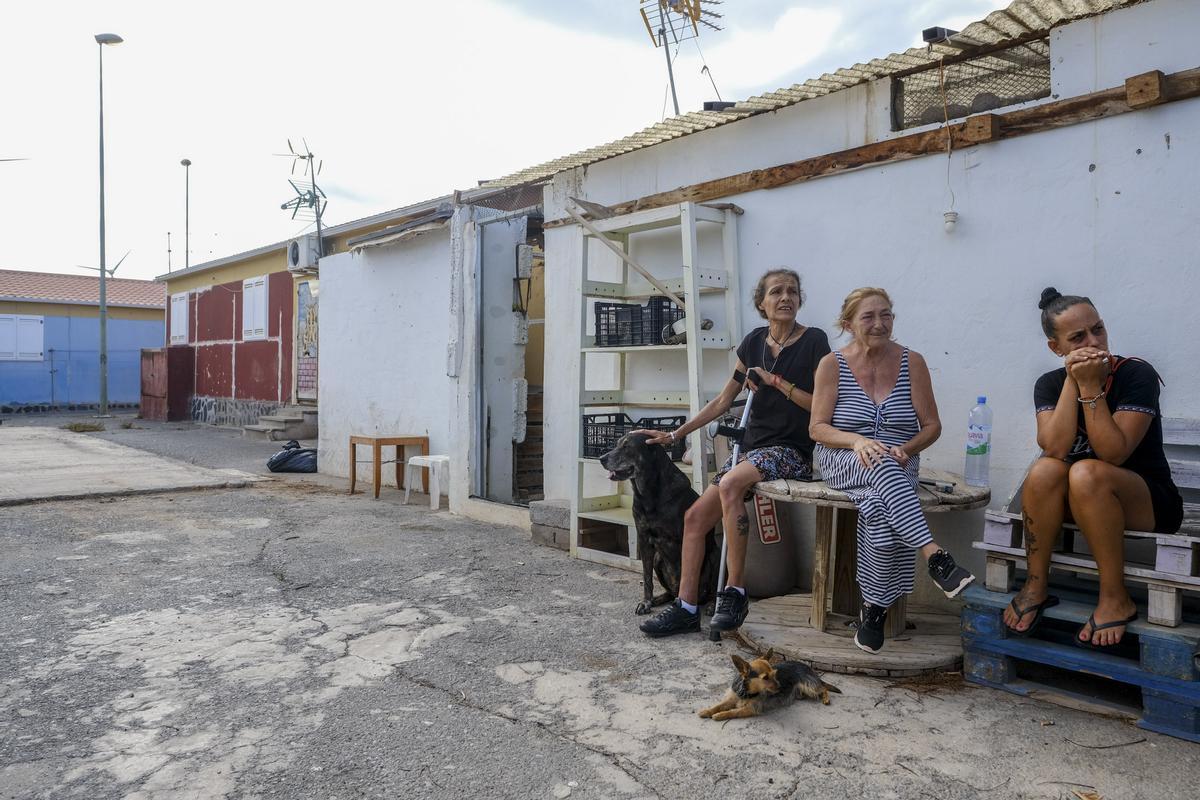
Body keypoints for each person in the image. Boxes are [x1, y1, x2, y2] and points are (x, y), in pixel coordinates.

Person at [636, 268, 830, 637]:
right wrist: (676, 433)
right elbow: (724, 400)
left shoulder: (814, 342)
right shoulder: (753, 342)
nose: (785, 297)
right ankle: (687, 607)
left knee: (730, 485)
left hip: (791, 451)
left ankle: (735, 591)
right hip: (750, 450)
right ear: (762, 303)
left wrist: (776, 382)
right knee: (694, 518)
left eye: (792, 291)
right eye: (776, 292)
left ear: (800, 299)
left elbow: (822, 406)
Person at [1001, 288, 1182, 647]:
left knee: (1086, 472)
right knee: (1044, 470)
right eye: (1078, 337)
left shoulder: (1136, 375)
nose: (1094, 342)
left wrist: (1090, 386)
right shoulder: (1049, 384)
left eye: (1098, 329)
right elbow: (1054, 447)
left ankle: (1116, 597)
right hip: (1078, 502)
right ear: (1056, 348)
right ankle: (1035, 585)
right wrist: (1073, 380)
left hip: (1147, 501)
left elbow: (1112, 454)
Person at [809, 288, 975, 655]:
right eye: (868, 316)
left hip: (899, 463)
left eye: (886, 315)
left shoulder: (911, 362)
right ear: (848, 323)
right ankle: (934, 554)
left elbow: (932, 425)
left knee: (878, 506)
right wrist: (856, 441)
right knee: (876, 459)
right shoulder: (831, 364)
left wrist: (907, 448)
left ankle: (873, 611)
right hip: (842, 457)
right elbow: (817, 428)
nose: (880, 323)